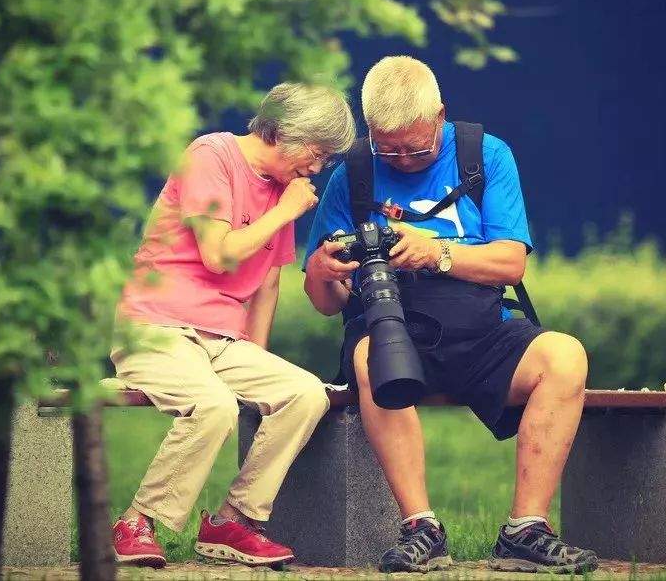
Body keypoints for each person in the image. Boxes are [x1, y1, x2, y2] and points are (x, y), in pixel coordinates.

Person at [302, 56, 599, 574]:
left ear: (440, 114)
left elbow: (510, 262)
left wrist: (435, 253)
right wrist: (320, 273)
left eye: (417, 147)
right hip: (391, 333)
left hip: (482, 332)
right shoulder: (350, 173)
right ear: (370, 130)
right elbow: (329, 305)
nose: (403, 159)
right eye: (387, 148)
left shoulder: (483, 155)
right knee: (373, 355)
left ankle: (525, 529)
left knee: (565, 356)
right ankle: (421, 528)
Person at [111, 82, 356, 568]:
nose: (317, 167)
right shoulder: (211, 156)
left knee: (306, 394)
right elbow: (219, 253)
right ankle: (136, 522)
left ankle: (233, 522)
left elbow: (267, 283)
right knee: (213, 406)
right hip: (157, 325)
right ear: (285, 133)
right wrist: (286, 210)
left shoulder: (282, 190)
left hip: (222, 340)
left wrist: (257, 358)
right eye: (317, 152)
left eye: (326, 158)